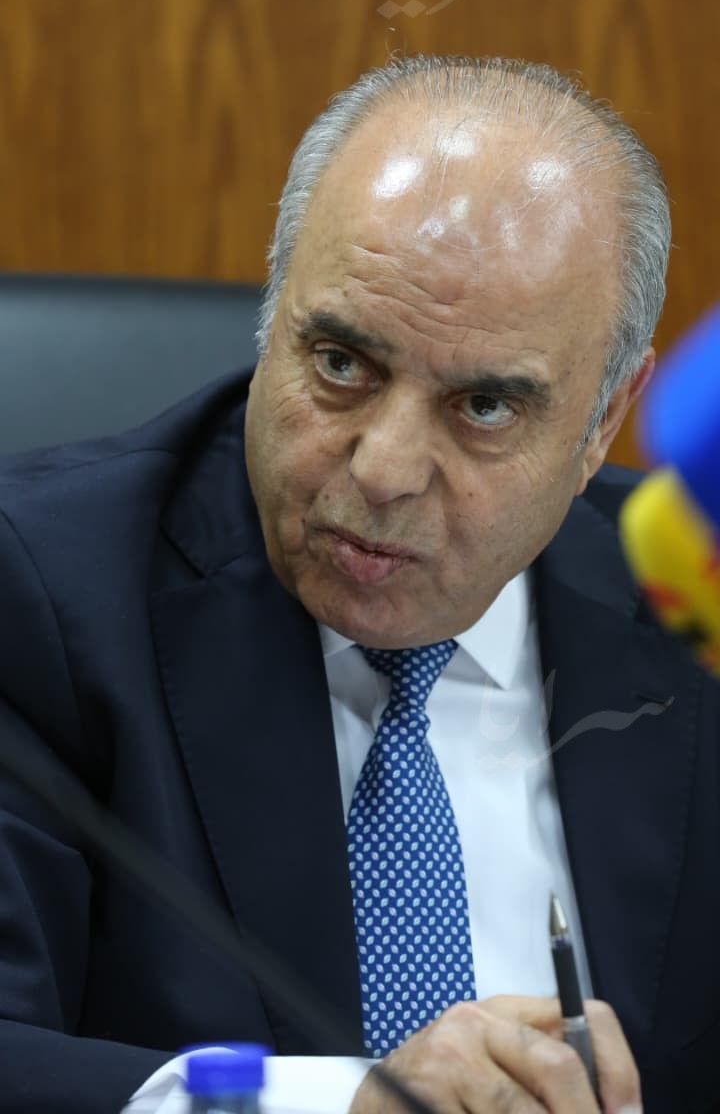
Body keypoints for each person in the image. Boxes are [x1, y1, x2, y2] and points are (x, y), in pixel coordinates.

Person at [0, 55, 717, 1114]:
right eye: (342, 363)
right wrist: (348, 1103)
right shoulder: (39, 591)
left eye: (483, 408)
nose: (382, 469)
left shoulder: (691, 601)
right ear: (275, 315)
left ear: (604, 417)